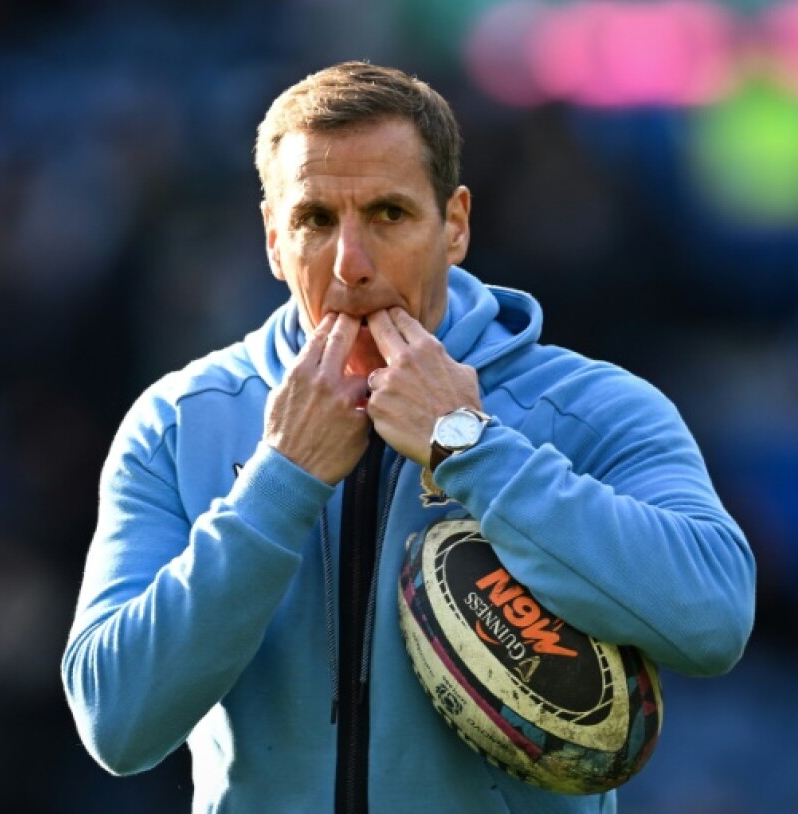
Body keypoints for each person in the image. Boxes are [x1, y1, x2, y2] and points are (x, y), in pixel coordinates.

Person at [62, 61, 756, 813]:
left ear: (454, 224)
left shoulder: (593, 407)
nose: (350, 265)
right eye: (315, 220)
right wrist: (281, 481)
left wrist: (471, 448)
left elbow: (713, 618)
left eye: (389, 214)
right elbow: (115, 723)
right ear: (272, 238)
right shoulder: (179, 421)